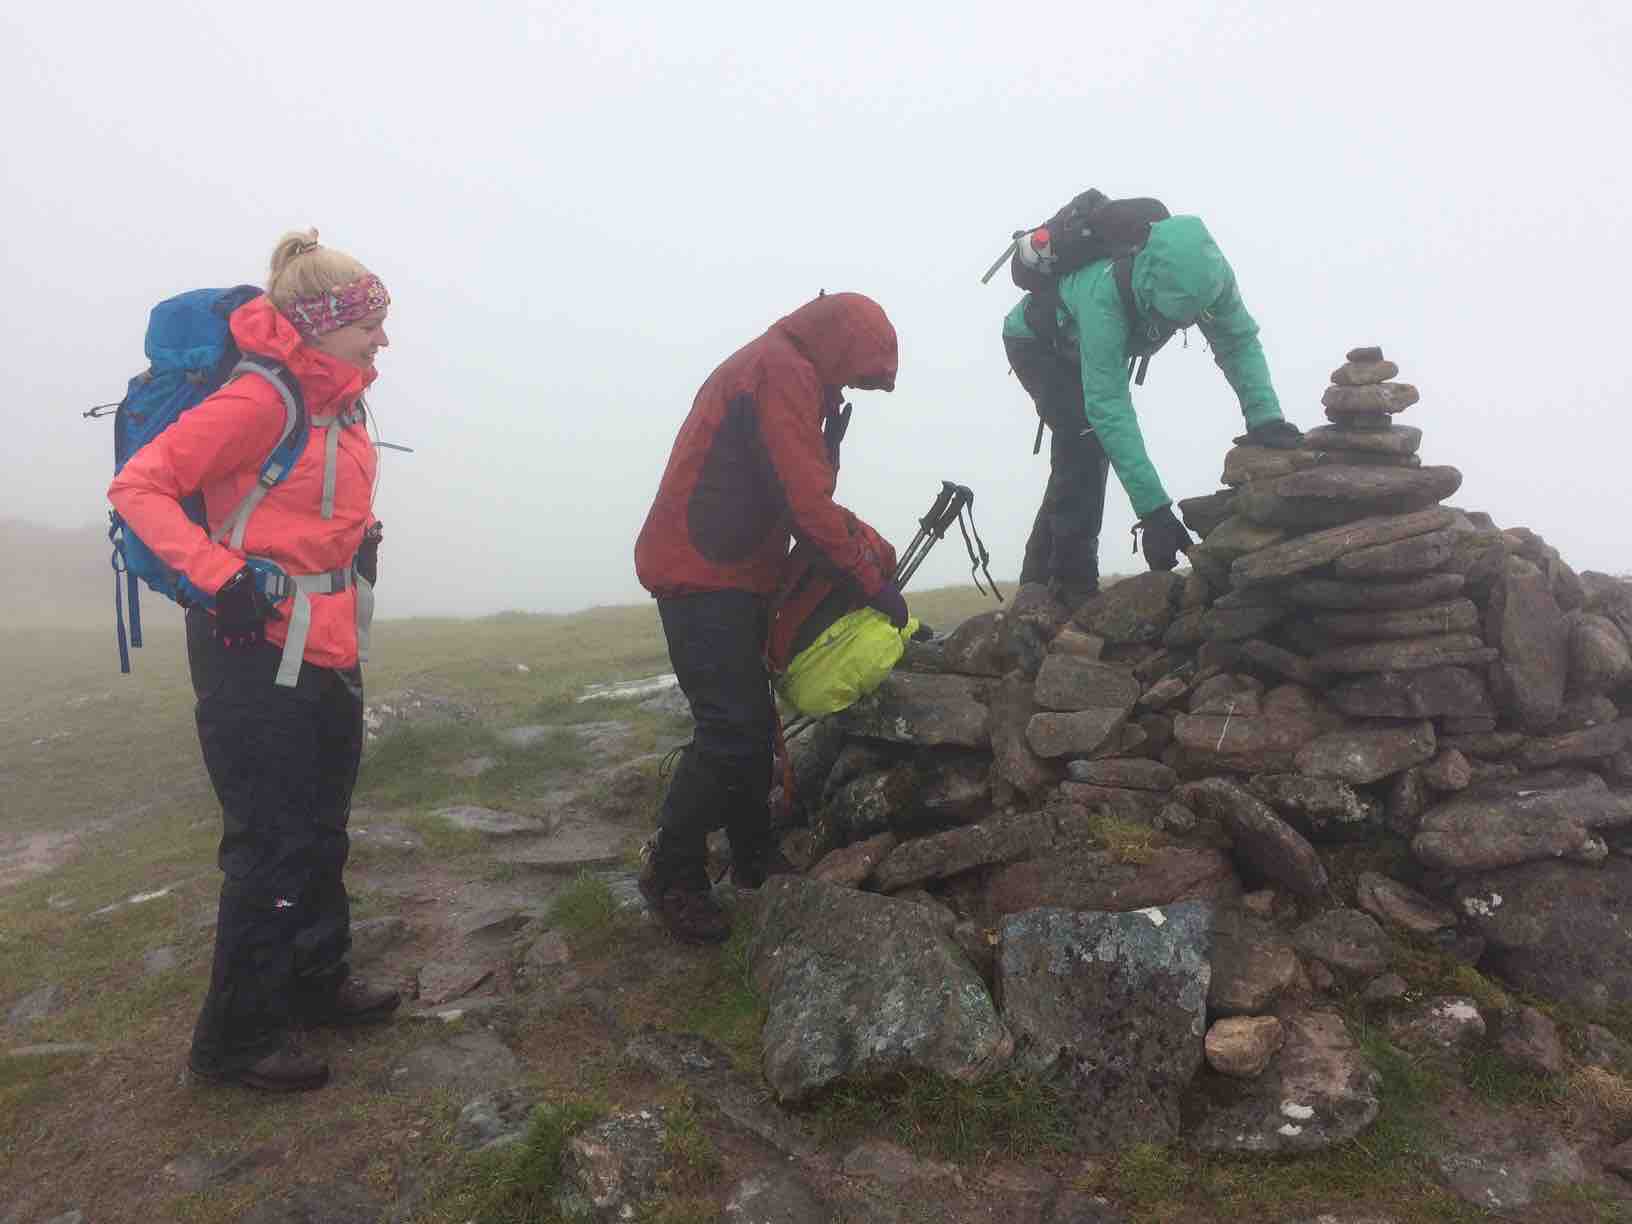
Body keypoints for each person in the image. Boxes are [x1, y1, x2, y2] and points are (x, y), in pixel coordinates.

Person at [107, 230, 399, 1093]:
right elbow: (140, 487)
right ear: (320, 324)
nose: (384, 340)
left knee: (318, 828)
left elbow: (298, 501)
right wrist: (219, 577)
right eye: (370, 325)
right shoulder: (260, 400)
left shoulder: (341, 399)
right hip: (251, 647)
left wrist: (354, 540)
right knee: (267, 844)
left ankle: (315, 981)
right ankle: (235, 1041)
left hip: (328, 642)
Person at [633, 291, 905, 944]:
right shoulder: (780, 371)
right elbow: (805, 501)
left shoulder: (791, 371)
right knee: (731, 729)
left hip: (730, 573)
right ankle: (673, 873)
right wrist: (869, 580)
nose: (851, 386)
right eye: (856, 372)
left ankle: (754, 856)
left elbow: (796, 491)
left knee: (751, 727)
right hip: (701, 573)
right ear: (840, 344)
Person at [1002, 213, 1299, 605]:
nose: (1179, 325)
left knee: (1078, 456)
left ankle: (1036, 585)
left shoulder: (1210, 275)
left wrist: (1266, 417)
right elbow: (1108, 407)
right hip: (1036, 344)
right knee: (1086, 443)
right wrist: (1154, 512)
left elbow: (1237, 340)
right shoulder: (1104, 292)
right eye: (1166, 316)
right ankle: (1072, 587)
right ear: (1147, 286)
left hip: (1086, 349)